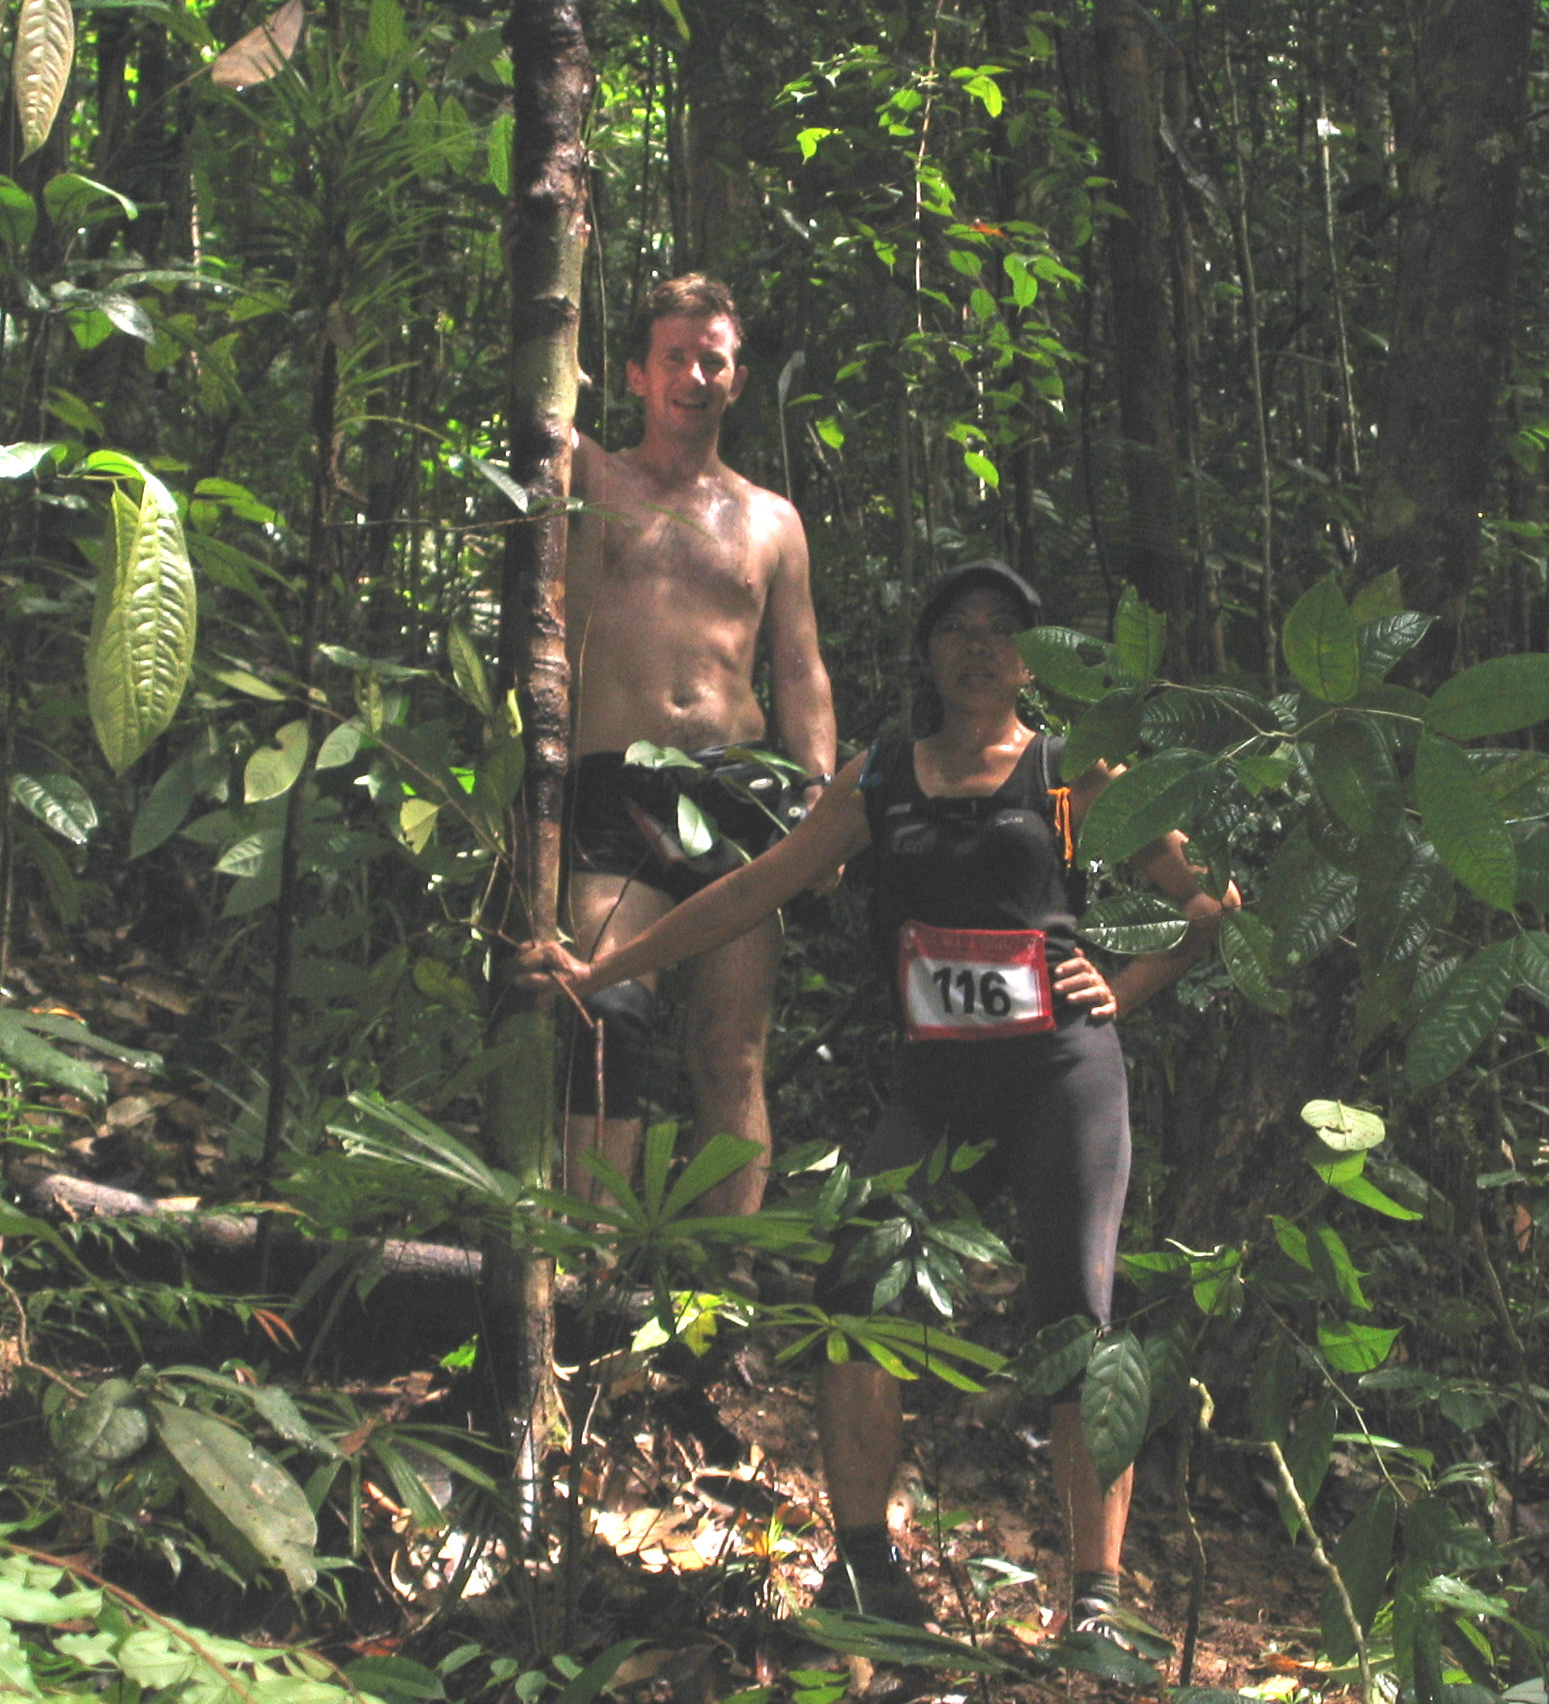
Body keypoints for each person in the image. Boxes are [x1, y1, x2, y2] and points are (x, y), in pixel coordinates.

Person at [521, 561, 1238, 1634]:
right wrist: (598, 973)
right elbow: (752, 887)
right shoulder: (883, 778)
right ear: (927, 653)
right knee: (854, 1287)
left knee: (1074, 1317)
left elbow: (1208, 904)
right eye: (957, 627)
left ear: (1030, 658)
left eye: (1002, 629)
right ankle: (865, 1571)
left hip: (1060, 1077)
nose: (979, 646)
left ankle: (1093, 1601)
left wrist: (1124, 988)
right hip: (934, 1089)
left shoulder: (1067, 771)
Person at [561, 274, 836, 1222]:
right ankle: (590, 1268)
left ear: (737, 378)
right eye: (673, 356)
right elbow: (541, 396)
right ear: (635, 374)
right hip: (616, 783)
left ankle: (729, 1293)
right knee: (607, 1013)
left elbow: (799, 669)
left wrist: (820, 802)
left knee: (731, 1051)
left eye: (711, 357)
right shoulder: (589, 476)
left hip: (738, 791)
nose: (693, 373)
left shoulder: (772, 520)